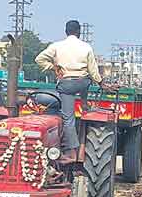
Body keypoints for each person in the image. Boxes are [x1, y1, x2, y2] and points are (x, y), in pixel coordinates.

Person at [35, 20, 105, 163]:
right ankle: (84, 105)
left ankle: (72, 153)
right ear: (79, 32)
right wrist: (101, 82)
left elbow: (39, 59)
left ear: (66, 32)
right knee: (86, 80)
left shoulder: (57, 46)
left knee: (68, 119)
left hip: (66, 85)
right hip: (82, 84)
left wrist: (54, 67)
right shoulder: (86, 47)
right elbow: (93, 71)